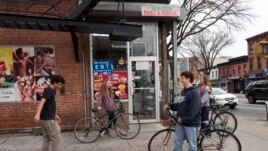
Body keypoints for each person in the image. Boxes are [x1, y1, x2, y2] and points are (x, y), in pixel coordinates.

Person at [164, 71, 201, 151]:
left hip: (191, 124)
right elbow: (180, 105)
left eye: (183, 78)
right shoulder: (184, 91)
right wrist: (170, 105)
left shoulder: (195, 92)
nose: (181, 80)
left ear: (188, 79)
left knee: (192, 145)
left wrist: (184, 119)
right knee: (177, 141)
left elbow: (193, 110)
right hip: (180, 122)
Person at [34, 75, 65, 151]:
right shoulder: (49, 90)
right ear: (54, 82)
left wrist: (55, 115)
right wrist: (37, 114)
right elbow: (42, 102)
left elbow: (48, 105)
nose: (61, 87)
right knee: (56, 137)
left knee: (47, 138)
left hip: (47, 118)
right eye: (60, 84)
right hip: (48, 119)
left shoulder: (52, 91)